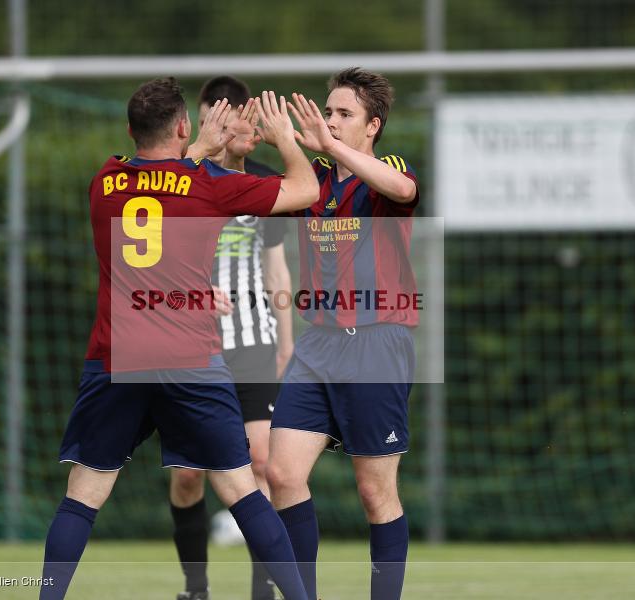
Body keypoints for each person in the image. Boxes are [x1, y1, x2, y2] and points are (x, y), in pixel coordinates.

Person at [38, 77, 318, 600]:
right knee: (242, 490)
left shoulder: (104, 179)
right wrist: (283, 138)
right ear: (185, 125)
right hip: (190, 358)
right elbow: (305, 189)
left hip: (117, 358)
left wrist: (195, 153)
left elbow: (157, 183)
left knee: (83, 495)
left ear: (129, 130)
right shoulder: (209, 183)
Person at [266, 68, 420, 600]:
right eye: (327, 111)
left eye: (343, 114)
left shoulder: (387, 169)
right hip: (319, 343)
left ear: (373, 126)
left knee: (375, 493)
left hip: (378, 341)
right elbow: (266, 182)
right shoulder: (313, 179)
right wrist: (268, 134)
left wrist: (330, 146)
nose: (329, 121)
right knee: (281, 474)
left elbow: (402, 188)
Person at [169, 76, 293, 600]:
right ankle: (196, 588)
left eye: (232, 115)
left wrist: (286, 342)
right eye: (212, 116)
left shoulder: (262, 183)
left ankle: (262, 590)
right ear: (199, 120)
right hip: (189, 344)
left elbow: (277, 270)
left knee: (262, 463)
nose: (223, 125)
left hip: (253, 341)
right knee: (189, 476)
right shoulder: (176, 182)